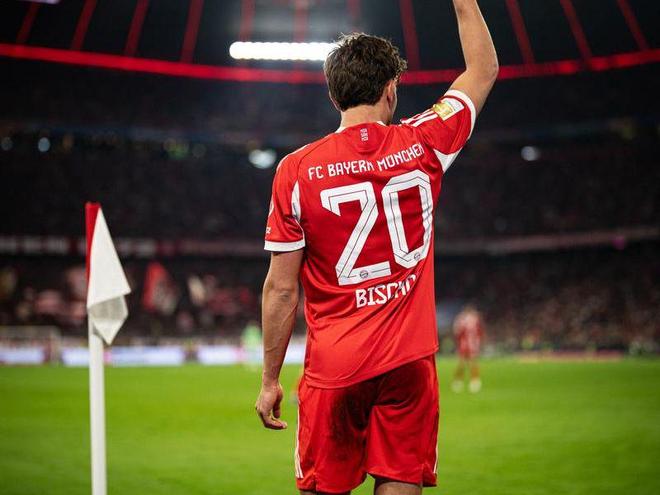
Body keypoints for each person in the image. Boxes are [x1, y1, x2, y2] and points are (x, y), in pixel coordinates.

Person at [255, 1, 498, 493]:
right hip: (409, 363)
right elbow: (483, 70)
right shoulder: (425, 143)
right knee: (402, 481)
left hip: (335, 367)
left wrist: (270, 380)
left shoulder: (296, 171)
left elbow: (281, 290)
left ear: (334, 96)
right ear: (391, 89)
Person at [451, 305, 485, 393]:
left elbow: (457, 332)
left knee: (462, 363)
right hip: (472, 343)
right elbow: (480, 331)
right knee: (472, 362)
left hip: (464, 343)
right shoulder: (475, 318)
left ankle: (459, 382)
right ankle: (474, 382)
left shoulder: (461, 318)